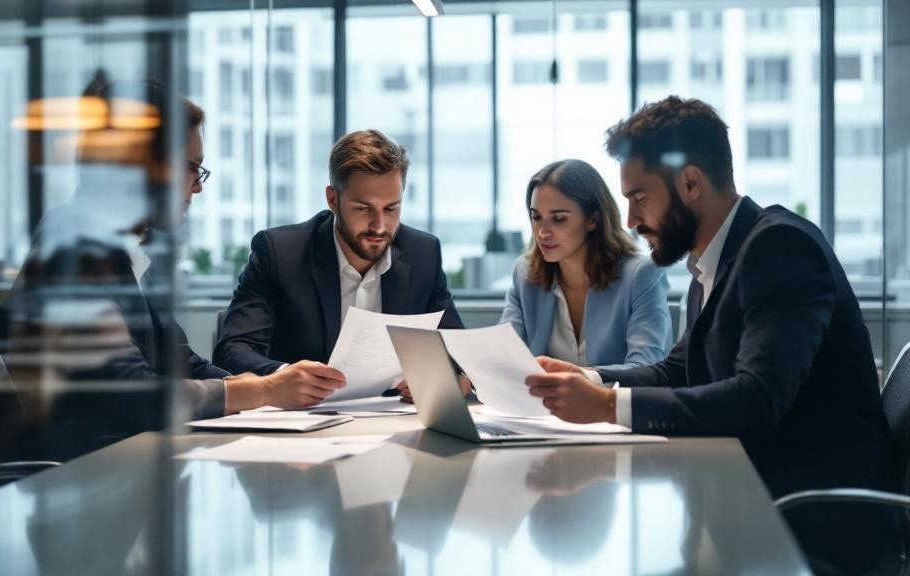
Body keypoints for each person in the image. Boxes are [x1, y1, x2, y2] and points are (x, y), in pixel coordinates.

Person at [523, 96, 899, 573]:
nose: (632, 221)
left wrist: (602, 407)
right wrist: (588, 377)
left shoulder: (780, 248)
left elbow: (757, 399)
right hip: (752, 497)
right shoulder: (716, 261)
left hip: (810, 521)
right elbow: (679, 368)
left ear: (690, 183)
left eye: (639, 198)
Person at [0, 80, 341, 462]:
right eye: (192, 168)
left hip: (114, 471)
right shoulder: (71, 252)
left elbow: (180, 360)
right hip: (64, 486)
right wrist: (265, 392)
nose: (197, 188)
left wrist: (264, 385)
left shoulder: (120, 253)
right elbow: (128, 394)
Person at [214, 129, 464, 396]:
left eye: (391, 208)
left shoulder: (422, 253)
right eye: (363, 208)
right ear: (333, 199)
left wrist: (452, 377)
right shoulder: (280, 253)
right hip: (303, 421)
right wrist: (281, 377)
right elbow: (233, 349)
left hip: (392, 420)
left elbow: (457, 349)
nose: (379, 227)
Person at [500, 158, 671, 371]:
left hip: (612, 403)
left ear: (593, 220)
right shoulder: (525, 273)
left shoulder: (641, 274)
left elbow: (645, 367)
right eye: (536, 217)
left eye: (559, 219)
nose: (542, 232)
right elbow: (504, 357)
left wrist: (577, 380)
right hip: (540, 403)